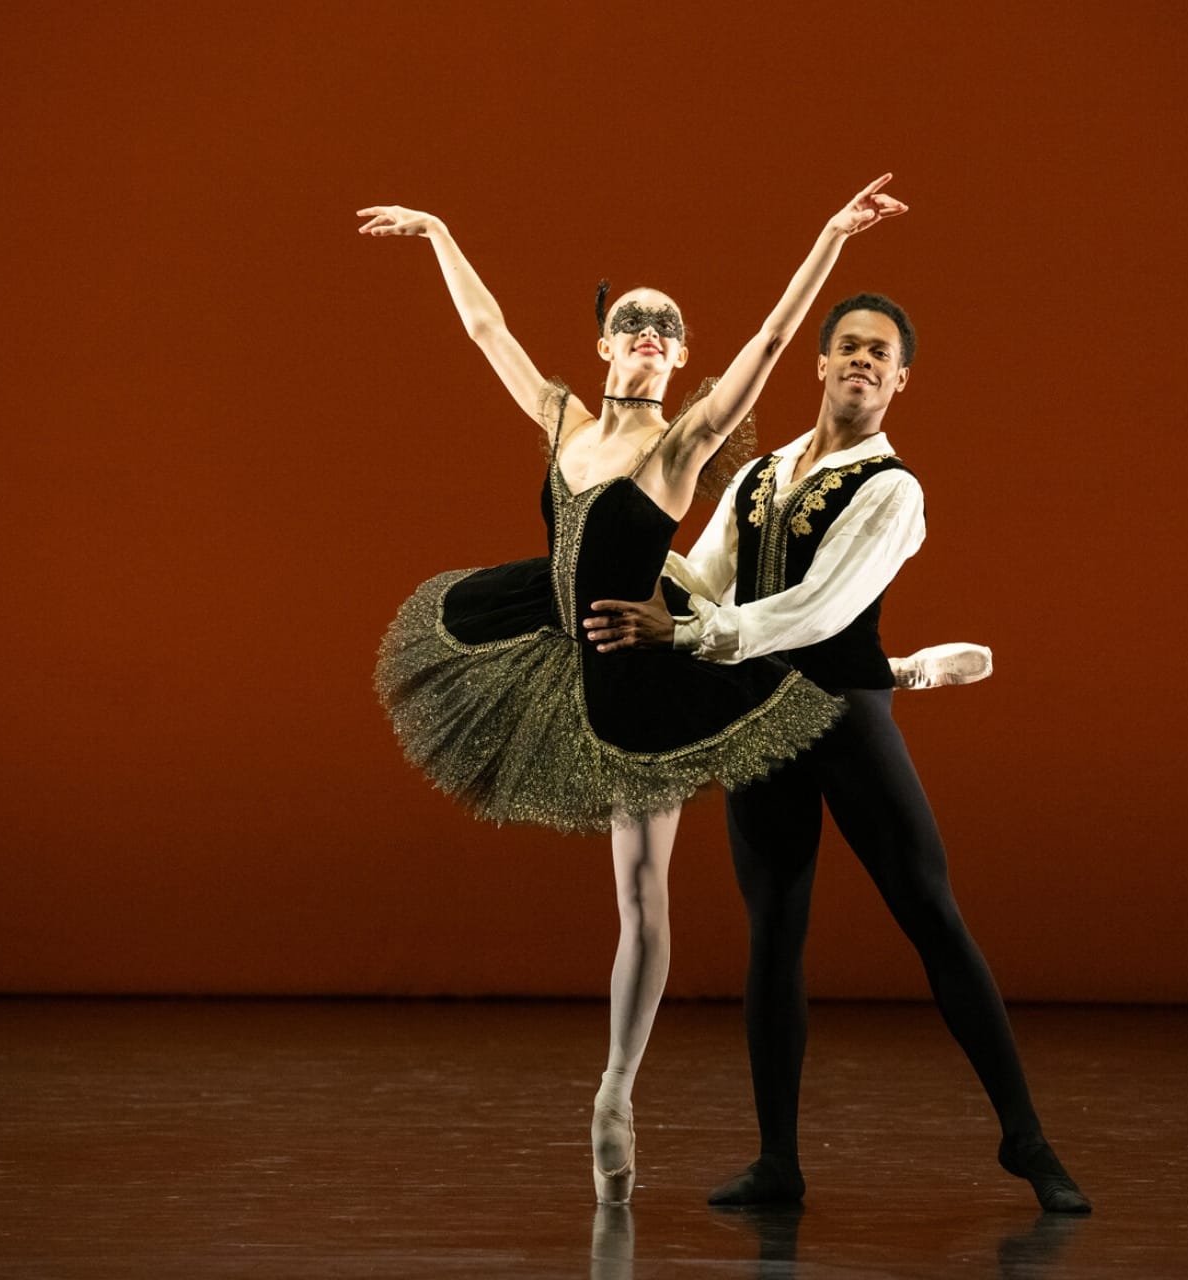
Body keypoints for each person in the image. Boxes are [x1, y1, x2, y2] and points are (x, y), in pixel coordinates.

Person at [359, 178, 907, 1204]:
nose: (649, 333)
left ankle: (615, 1090)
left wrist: (829, 231)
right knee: (634, 894)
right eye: (631, 323)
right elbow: (488, 330)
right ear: (608, 348)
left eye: (667, 327)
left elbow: (780, 338)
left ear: (682, 357)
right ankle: (615, 1092)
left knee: (642, 899)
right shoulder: (562, 417)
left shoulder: (684, 442)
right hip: (543, 633)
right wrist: (440, 229)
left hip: (638, 672)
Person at [582, 293, 1092, 1213]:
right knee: (774, 937)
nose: (860, 360)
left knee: (932, 916)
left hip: (843, 720)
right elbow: (700, 579)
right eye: (847, 346)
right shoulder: (760, 476)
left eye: (879, 353)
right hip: (761, 726)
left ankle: (1026, 1140)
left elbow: (817, 610)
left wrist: (687, 636)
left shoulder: (893, 490)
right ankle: (779, 1159)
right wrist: (609, 555)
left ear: (899, 380)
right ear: (819, 365)